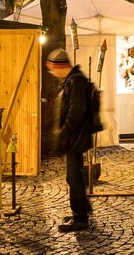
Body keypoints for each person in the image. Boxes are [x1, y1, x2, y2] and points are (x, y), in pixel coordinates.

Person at [46, 48, 92, 233]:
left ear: (60, 67)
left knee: (74, 177)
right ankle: (83, 209)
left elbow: (76, 111)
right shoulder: (74, 79)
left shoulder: (75, 81)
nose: (51, 72)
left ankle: (80, 218)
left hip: (75, 137)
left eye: (52, 68)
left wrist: (64, 133)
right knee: (75, 175)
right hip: (76, 136)